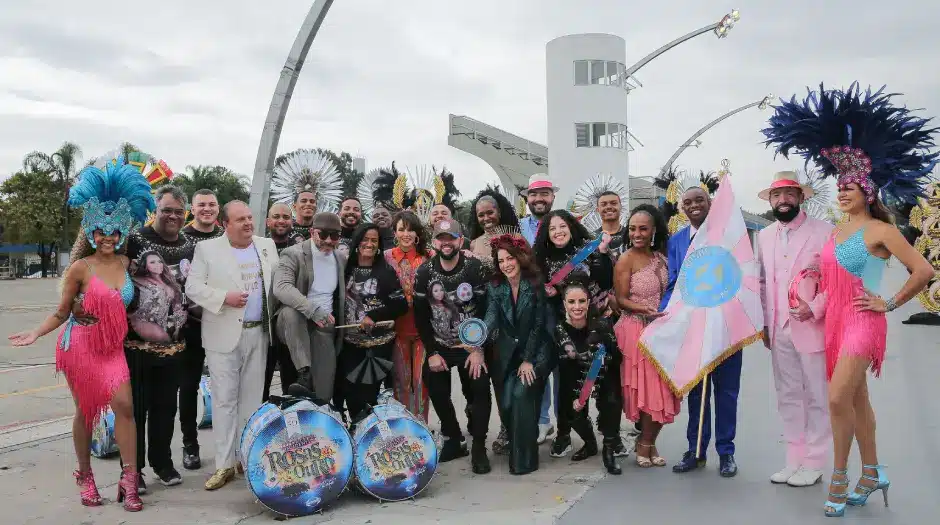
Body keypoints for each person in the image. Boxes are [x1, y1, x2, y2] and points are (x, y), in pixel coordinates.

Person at [762, 82, 935, 517]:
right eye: (839, 187)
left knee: (837, 398)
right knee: (858, 401)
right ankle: (872, 471)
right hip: (833, 321)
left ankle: (838, 477)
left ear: (868, 193)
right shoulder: (833, 231)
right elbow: (825, 273)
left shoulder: (881, 231)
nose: (842, 192)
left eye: (851, 187)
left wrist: (890, 304)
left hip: (863, 320)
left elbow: (925, 271)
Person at [8, 158, 155, 511]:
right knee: (86, 411)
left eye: (113, 231)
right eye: (100, 232)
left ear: (122, 233)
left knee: (124, 406)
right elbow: (62, 311)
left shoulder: (128, 265)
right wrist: (36, 333)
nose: (107, 237)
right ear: (91, 233)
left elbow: (146, 300)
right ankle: (86, 477)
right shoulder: (80, 267)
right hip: (82, 345)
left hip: (113, 348)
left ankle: (130, 479)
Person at [186, 201, 280, 490]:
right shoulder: (207, 250)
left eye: (250, 218)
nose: (248, 224)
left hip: (259, 334)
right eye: (240, 219)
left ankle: (246, 458)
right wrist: (223, 297)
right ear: (225, 224)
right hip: (222, 334)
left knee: (252, 400)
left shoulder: (266, 246)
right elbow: (192, 287)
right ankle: (223, 465)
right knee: (225, 401)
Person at [755, 172, 834, 487]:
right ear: (771, 200)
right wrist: (763, 323)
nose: (783, 200)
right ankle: (794, 459)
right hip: (777, 328)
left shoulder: (825, 232)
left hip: (811, 326)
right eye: (777, 195)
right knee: (788, 395)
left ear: (801, 197)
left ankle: (814, 462)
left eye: (789, 194)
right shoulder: (764, 235)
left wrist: (814, 308)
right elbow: (762, 282)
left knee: (816, 394)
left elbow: (838, 282)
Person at [663, 186, 742, 477]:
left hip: (727, 328)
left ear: (710, 203)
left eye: (700, 200)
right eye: (688, 202)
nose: (694, 205)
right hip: (694, 329)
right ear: (681, 207)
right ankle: (695, 450)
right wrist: (665, 314)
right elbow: (673, 283)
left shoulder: (728, 236)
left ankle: (726, 453)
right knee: (696, 393)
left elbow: (742, 274)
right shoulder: (677, 241)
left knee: (726, 392)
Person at [124, 184, 195, 490]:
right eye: (167, 210)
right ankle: (134, 469)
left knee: (166, 408)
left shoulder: (191, 245)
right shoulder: (134, 239)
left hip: (176, 345)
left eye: (179, 212)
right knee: (136, 408)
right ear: (156, 209)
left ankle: (163, 464)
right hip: (136, 345)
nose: (173, 216)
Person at [413, 219, 493, 474]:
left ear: (461, 240)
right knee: (435, 387)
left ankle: (479, 445)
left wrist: (479, 349)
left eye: (452, 237)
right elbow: (420, 316)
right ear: (434, 242)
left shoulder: (475, 268)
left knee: (479, 387)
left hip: (471, 346)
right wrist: (432, 352)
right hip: (440, 344)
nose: (446, 242)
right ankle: (453, 437)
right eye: (441, 238)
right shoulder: (425, 272)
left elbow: (485, 309)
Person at [533, 209, 613, 458]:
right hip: (562, 328)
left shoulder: (587, 249)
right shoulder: (542, 258)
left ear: (571, 227)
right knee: (566, 385)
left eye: (562, 226)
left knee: (599, 378)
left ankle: (610, 437)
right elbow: (537, 290)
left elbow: (605, 279)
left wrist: (602, 254)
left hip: (594, 325)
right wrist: (545, 291)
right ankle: (565, 433)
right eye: (552, 228)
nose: (558, 232)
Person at [614, 205, 680, 468]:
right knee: (647, 393)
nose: (637, 234)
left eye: (643, 228)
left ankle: (648, 443)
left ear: (654, 230)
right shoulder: (625, 259)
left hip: (662, 332)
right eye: (632, 229)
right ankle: (645, 443)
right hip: (635, 331)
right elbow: (620, 300)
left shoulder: (662, 257)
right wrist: (643, 309)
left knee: (664, 391)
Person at [482, 233, 550, 474]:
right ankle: (520, 443)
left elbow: (538, 326)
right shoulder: (495, 287)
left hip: (536, 353)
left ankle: (524, 461)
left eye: (510, 258)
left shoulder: (534, 283)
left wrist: (529, 360)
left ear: (520, 258)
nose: (506, 265)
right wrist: (477, 334)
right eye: (501, 261)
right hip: (508, 353)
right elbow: (491, 315)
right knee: (508, 402)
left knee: (521, 395)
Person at [272, 212, 347, 404]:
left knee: (323, 393)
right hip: (294, 322)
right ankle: (304, 372)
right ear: (312, 232)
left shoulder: (340, 258)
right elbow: (281, 288)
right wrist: (312, 310)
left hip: (324, 326)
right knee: (291, 312)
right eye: (323, 235)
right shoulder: (293, 254)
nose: (329, 240)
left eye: (335, 236)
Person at [555, 275, 623, 475]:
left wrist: (602, 356)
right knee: (570, 410)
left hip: (603, 374)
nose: (577, 307)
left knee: (612, 399)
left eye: (582, 301)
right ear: (564, 304)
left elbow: (618, 357)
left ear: (589, 302)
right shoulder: (559, 328)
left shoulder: (601, 324)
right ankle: (590, 443)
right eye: (572, 302)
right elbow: (560, 359)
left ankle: (608, 450)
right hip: (574, 376)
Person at [340, 223, 408, 420]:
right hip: (349, 344)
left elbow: (401, 305)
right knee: (351, 393)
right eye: (365, 239)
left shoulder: (386, 271)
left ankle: (370, 434)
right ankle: (356, 430)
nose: (369, 244)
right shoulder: (345, 270)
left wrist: (374, 316)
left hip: (378, 345)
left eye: (374, 240)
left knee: (370, 395)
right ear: (357, 242)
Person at [178, 188, 225, 471]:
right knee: (188, 385)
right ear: (192, 209)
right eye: (201, 205)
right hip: (190, 324)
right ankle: (190, 445)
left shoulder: (226, 237)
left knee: (224, 386)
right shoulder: (181, 239)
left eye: (212, 205)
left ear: (218, 209)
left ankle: (227, 444)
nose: (207, 209)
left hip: (222, 320)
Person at [384, 211, 432, 421]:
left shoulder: (429, 258)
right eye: (401, 229)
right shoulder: (385, 257)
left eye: (410, 229)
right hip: (397, 331)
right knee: (401, 382)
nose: (406, 233)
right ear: (394, 232)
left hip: (423, 329)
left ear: (417, 233)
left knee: (421, 381)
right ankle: (404, 427)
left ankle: (421, 425)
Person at [262, 202, 302, 402]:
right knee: (261, 385)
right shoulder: (257, 248)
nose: (281, 221)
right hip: (263, 327)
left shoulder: (300, 251)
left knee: (292, 384)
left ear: (292, 222)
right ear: (268, 221)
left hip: (291, 325)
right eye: (276, 216)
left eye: (286, 217)